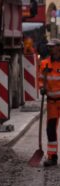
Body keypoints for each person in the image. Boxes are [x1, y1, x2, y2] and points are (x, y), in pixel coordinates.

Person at [39, 38, 60, 167]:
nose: (50, 48)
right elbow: (41, 79)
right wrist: (42, 87)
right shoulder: (45, 64)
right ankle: (52, 157)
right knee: (50, 129)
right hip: (52, 102)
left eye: (53, 46)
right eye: (49, 46)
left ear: (59, 48)